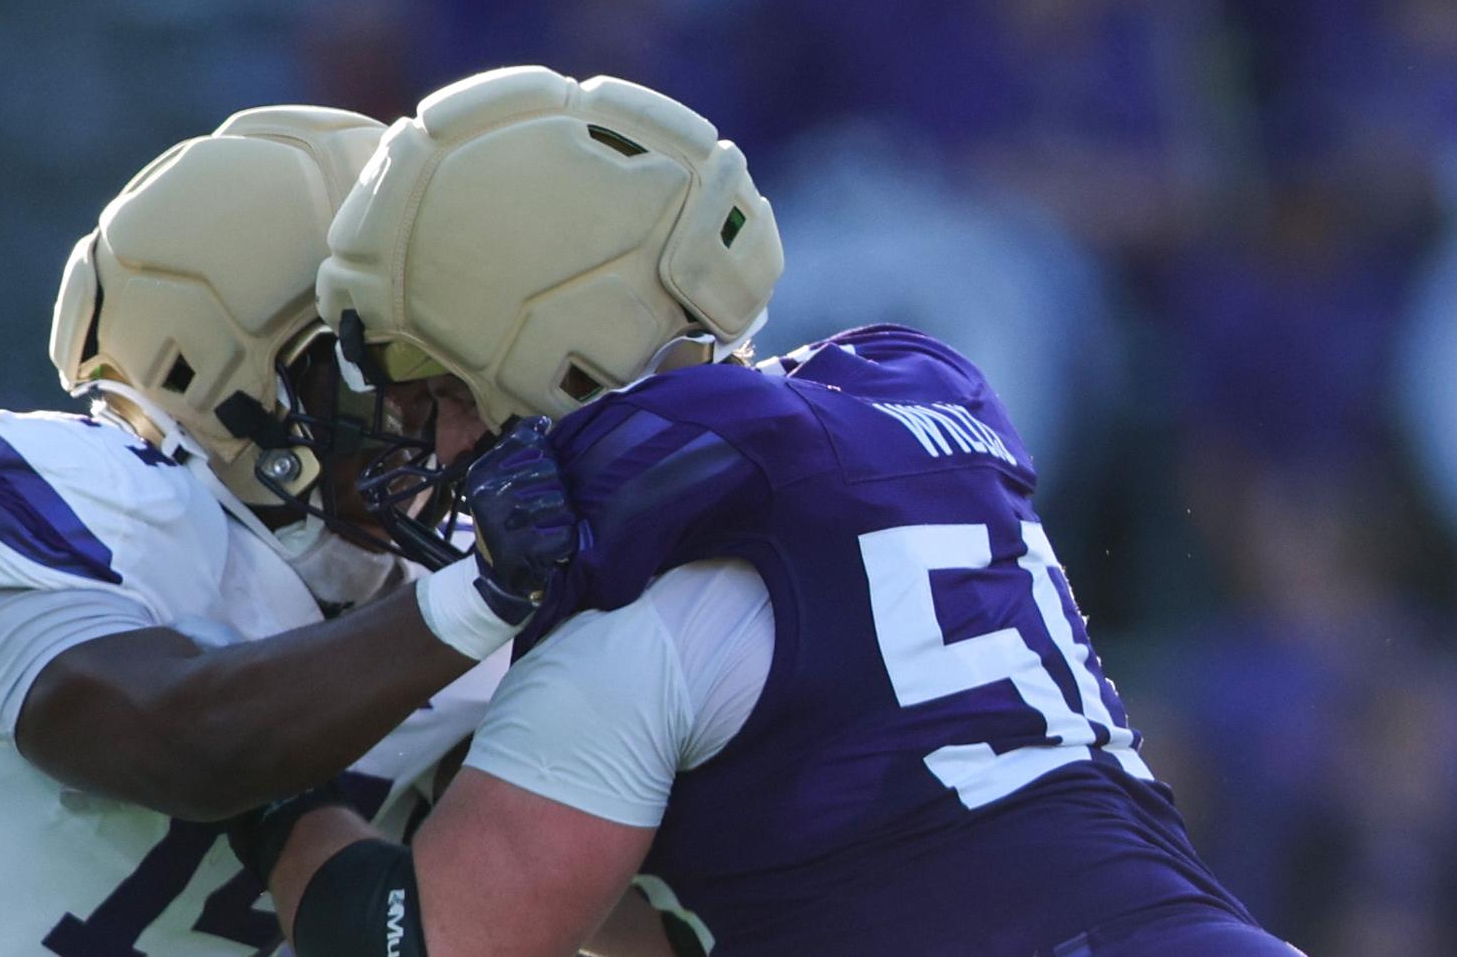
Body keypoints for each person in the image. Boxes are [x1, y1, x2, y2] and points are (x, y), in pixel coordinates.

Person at [245, 67, 1305, 957]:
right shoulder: (885, 429)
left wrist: (278, 785)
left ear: (557, 356)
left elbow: (418, 943)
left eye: (440, 389)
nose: (436, 444)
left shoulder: (640, 622)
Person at [0, 105, 580, 957]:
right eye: (393, 369)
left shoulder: (467, 607)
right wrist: (478, 600)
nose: (446, 423)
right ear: (231, 368)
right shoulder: (80, 487)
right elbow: (186, 745)